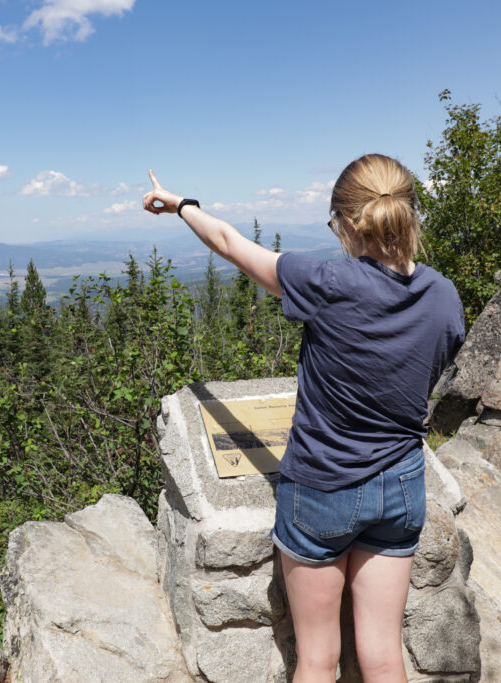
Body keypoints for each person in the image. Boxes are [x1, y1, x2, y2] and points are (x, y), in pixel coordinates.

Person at [142, 153, 465, 683]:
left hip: (322, 488)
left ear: (344, 223)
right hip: (403, 485)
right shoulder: (444, 295)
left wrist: (181, 205)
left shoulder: (326, 281)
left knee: (318, 659)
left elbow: (229, 243)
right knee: (384, 655)